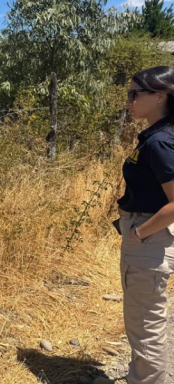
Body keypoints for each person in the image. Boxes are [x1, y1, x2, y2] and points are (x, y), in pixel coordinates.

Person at [117, 66, 174, 384]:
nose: (129, 102)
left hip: (148, 241)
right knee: (143, 321)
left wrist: (140, 233)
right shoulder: (159, 136)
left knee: (145, 326)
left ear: (160, 96)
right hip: (150, 240)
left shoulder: (159, 143)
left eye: (135, 94)